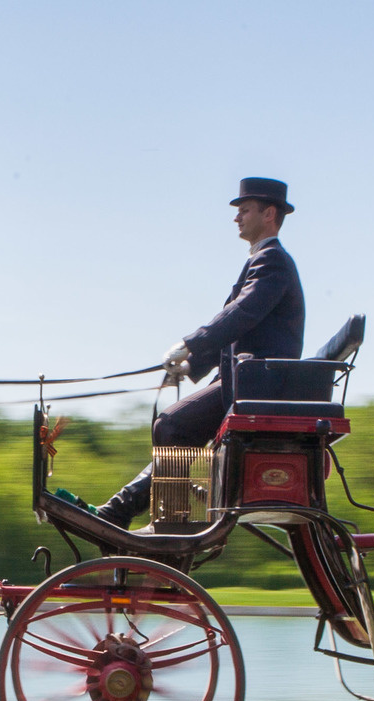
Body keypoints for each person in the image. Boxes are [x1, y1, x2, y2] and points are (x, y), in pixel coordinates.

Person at [87, 177, 305, 530]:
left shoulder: (273, 261)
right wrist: (191, 365)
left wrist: (191, 342)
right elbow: (238, 328)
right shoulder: (264, 261)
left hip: (255, 386)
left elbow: (241, 313)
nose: (237, 218)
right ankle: (137, 513)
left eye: (244, 210)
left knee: (172, 425)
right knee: (171, 426)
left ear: (268, 214)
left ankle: (156, 521)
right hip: (247, 382)